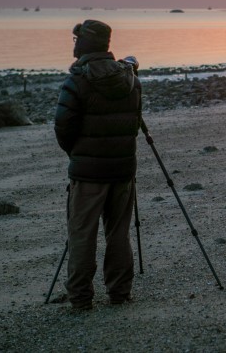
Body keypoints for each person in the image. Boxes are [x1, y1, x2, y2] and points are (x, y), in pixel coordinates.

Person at [54, 20, 142, 310]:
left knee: (82, 234)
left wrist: (78, 154)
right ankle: (120, 292)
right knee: (118, 234)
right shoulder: (130, 79)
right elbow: (133, 124)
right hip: (122, 169)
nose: (73, 42)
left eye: (77, 38)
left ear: (86, 43)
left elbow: (63, 129)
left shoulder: (77, 80)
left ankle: (80, 297)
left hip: (88, 174)